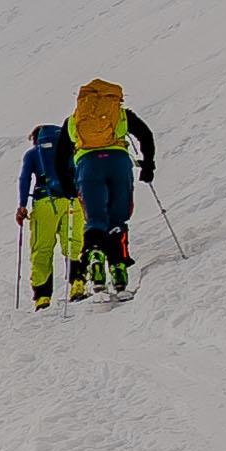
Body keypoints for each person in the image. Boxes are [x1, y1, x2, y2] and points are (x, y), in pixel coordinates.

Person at [70, 79, 157, 296]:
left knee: (95, 219)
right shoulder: (121, 114)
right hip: (118, 163)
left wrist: (68, 184)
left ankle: (96, 256)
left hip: (88, 166)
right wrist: (148, 165)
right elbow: (146, 136)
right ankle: (118, 267)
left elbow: (62, 153)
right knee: (117, 218)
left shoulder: (75, 120)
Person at [19, 119, 84, 308]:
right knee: (74, 242)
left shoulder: (32, 154)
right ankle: (78, 284)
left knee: (42, 249)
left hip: (44, 202)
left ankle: (42, 297)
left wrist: (22, 206)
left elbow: (24, 179)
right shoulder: (69, 148)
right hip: (72, 200)